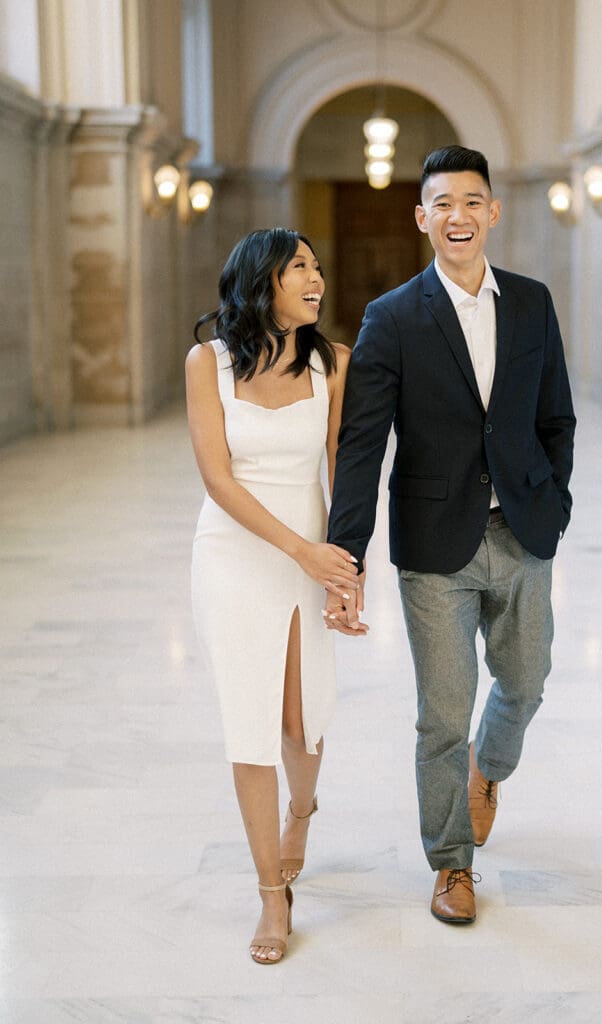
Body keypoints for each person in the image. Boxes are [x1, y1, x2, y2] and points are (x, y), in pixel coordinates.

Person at [325, 146, 575, 925]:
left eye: (473, 201)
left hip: (523, 530)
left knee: (526, 681)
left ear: (493, 212)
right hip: (436, 542)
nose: (458, 216)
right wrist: (347, 555)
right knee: (442, 712)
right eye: (443, 203)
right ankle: (451, 864)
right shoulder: (391, 317)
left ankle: (489, 770)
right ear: (422, 217)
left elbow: (555, 416)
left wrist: (554, 501)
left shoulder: (532, 303)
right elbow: (363, 444)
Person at [186, 228, 363, 964]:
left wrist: (346, 575)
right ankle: (269, 895)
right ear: (262, 282)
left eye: (318, 268)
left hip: (312, 547)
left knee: (301, 715)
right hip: (234, 552)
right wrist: (301, 551)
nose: (317, 280)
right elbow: (218, 479)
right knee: (249, 718)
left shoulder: (335, 363)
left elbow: (340, 472)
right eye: (300, 269)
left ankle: (302, 808)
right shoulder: (209, 363)